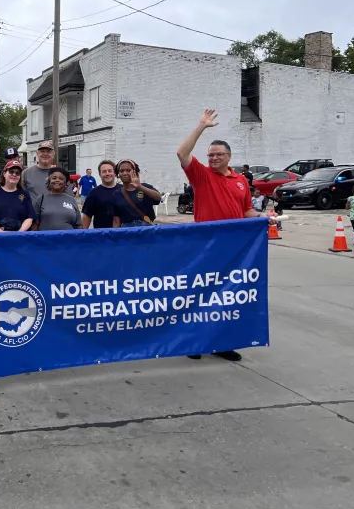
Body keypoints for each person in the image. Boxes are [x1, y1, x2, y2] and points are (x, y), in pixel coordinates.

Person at [177, 109, 276, 362]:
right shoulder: (201, 175)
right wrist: (201, 126)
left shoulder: (241, 181)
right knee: (199, 295)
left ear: (229, 157)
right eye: (210, 155)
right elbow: (182, 153)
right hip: (205, 245)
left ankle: (221, 342)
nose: (213, 158)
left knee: (225, 296)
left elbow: (247, 211)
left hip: (232, 249)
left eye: (218, 155)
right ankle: (194, 342)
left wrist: (262, 218)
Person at [0, 160, 35, 232]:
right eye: (11, 171)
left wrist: (19, 233)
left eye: (17, 173)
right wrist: (1, 233)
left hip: (20, 236)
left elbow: (29, 217)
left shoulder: (25, 194)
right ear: (4, 173)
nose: (14, 174)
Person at [112, 159, 162, 227]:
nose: (124, 173)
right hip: (127, 231)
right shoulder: (116, 194)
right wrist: (116, 235)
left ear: (135, 172)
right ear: (118, 174)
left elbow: (159, 198)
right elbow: (116, 220)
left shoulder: (145, 187)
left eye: (128, 170)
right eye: (121, 171)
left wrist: (140, 187)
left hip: (146, 229)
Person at [82, 160, 121, 229]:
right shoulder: (93, 193)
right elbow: (87, 216)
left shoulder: (123, 190)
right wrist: (82, 235)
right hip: (101, 235)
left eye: (110, 171)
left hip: (122, 235)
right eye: (104, 171)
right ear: (100, 175)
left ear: (115, 173)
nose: (107, 173)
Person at [22, 140, 56, 205]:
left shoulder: (60, 174)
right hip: (33, 213)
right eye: (42, 151)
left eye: (48, 151)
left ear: (53, 154)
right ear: (37, 154)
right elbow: (20, 195)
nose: (45, 154)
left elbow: (68, 198)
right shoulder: (26, 173)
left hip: (54, 213)